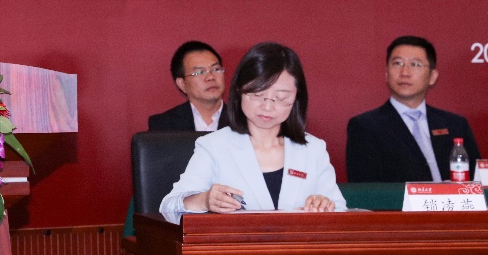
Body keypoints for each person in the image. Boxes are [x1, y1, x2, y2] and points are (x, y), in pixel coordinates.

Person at [160, 42, 345, 222]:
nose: (267, 107)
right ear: (240, 90)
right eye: (257, 95)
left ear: (296, 98)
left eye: (281, 97)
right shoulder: (213, 146)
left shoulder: (314, 149)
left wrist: (325, 205)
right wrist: (205, 200)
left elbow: (341, 213)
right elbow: (169, 208)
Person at [345, 35, 481, 183]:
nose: (405, 72)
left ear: (432, 76)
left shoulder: (456, 125)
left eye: (415, 64)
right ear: (386, 73)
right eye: (397, 63)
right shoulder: (365, 127)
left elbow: (477, 181)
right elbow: (366, 189)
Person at [148, 41, 228, 131]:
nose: (210, 77)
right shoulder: (163, 125)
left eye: (216, 69)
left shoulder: (240, 120)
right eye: (199, 72)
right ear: (182, 84)